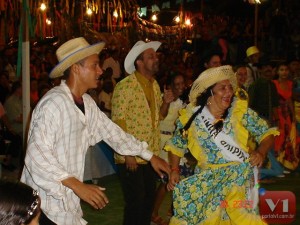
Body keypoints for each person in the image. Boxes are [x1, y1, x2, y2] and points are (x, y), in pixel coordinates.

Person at [21, 37, 170, 225]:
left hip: (64, 202)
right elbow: (36, 156)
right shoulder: (54, 104)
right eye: (94, 65)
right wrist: (77, 185)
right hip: (42, 204)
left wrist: (149, 156)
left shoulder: (87, 103)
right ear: (76, 68)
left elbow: (113, 133)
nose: (100, 71)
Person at [165, 65, 279, 225]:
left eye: (230, 88)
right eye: (222, 88)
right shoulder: (192, 117)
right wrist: (175, 170)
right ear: (209, 92)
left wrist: (261, 151)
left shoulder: (238, 111)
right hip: (208, 181)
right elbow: (176, 145)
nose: (229, 92)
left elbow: (266, 132)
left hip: (237, 179)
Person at [111, 40, 174, 225]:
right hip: (131, 156)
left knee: (147, 201)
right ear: (139, 62)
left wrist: (166, 102)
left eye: (155, 56)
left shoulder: (154, 84)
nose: (156, 59)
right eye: (151, 56)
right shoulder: (125, 86)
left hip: (150, 154)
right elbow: (118, 122)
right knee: (135, 202)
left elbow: (159, 118)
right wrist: (128, 153)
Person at [151, 73, 187, 225]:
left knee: (182, 178)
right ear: (170, 86)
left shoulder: (183, 103)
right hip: (162, 144)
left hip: (175, 144)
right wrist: (165, 102)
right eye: (176, 84)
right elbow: (161, 115)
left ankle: (173, 211)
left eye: (182, 84)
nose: (179, 87)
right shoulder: (161, 98)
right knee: (166, 182)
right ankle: (153, 212)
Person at [272, 62, 299, 171]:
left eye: (286, 70)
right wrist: (276, 117)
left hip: (287, 114)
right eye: (281, 70)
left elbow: (289, 101)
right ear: (277, 72)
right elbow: (273, 102)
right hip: (277, 114)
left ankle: (286, 163)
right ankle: (277, 164)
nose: (284, 72)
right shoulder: (273, 83)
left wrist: (293, 116)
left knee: (288, 138)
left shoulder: (290, 84)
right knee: (279, 138)